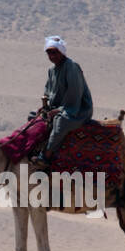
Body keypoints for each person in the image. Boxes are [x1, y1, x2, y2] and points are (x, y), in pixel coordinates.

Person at [32, 34, 93, 167]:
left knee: (61, 121)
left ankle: (46, 156)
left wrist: (59, 110)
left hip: (77, 109)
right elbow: (48, 91)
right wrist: (45, 107)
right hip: (58, 108)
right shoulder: (51, 70)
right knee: (33, 117)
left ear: (61, 52)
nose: (52, 56)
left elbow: (74, 95)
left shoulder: (71, 67)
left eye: (54, 52)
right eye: (49, 53)